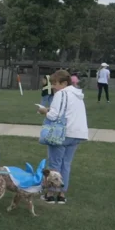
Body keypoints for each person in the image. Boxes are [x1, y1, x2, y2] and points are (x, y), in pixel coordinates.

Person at [37, 70, 88, 204]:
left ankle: (49, 194)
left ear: (64, 83)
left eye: (55, 83)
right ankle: (61, 194)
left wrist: (44, 111)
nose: (53, 86)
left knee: (55, 164)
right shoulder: (78, 95)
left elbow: (54, 115)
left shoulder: (61, 94)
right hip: (77, 133)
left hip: (62, 134)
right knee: (66, 164)